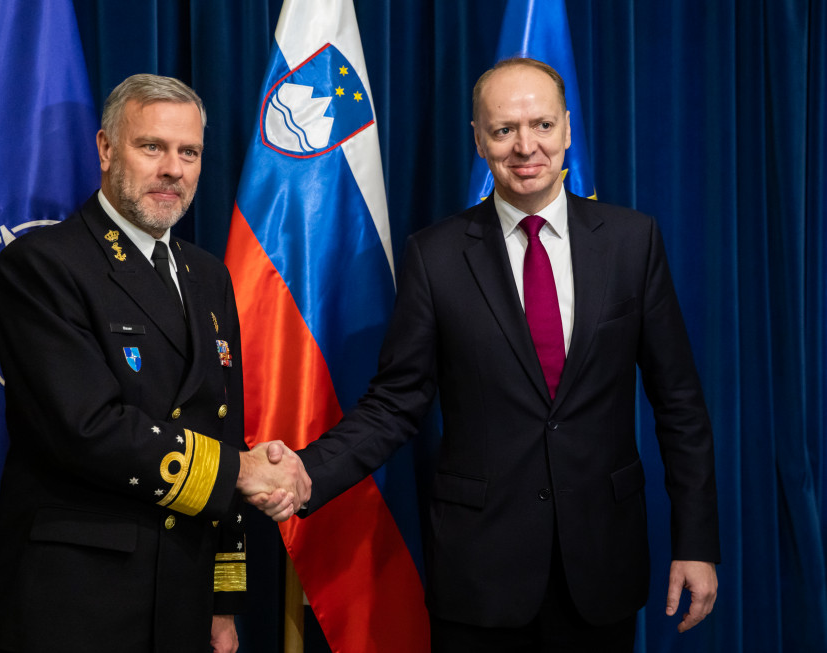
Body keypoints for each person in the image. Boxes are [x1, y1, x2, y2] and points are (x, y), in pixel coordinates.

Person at [283, 58, 720, 651]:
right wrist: (308, 472)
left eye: (541, 125)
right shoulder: (434, 257)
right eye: (504, 130)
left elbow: (680, 405)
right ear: (479, 140)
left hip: (601, 564)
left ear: (568, 129)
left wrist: (695, 543)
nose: (525, 147)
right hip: (479, 571)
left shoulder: (632, 241)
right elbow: (395, 403)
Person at [0, 74, 310, 653]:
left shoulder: (208, 275)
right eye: (152, 147)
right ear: (107, 148)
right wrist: (241, 471)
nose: (173, 169)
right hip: (79, 598)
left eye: (189, 152)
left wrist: (222, 601)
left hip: (182, 590)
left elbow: (221, 425)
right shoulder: (44, 266)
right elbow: (88, 428)